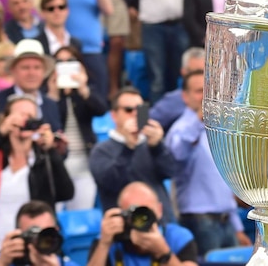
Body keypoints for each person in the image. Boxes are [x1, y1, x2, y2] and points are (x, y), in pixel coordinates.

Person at [0, 95, 74, 252]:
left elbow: (66, 192)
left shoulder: (42, 160)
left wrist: (50, 151)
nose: (25, 121)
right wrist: (0, 134)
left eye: (30, 116)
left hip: (34, 247)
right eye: (19, 115)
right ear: (6, 119)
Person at [165, 69, 251, 254]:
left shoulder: (217, 131)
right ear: (185, 97)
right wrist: (199, 119)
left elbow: (223, 182)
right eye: (198, 91)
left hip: (226, 220)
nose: (204, 97)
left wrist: (237, 227)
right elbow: (175, 157)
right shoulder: (179, 129)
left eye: (208, 91)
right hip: (199, 221)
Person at [89, 88, 176, 224]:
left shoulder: (150, 144)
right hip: (124, 227)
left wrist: (157, 147)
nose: (135, 114)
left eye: (140, 109)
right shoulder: (101, 151)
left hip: (160, 222)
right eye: (129, 110)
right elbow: (112, 182)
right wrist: (128, 148)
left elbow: (171, 171)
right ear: (114, 115)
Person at [49, 46, 108, 211]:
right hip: (58, 165)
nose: (65, 65)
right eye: (60, 62)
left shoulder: (85, 92)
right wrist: (54, 95)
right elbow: (50, 122)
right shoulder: (47, 94)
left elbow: (101, 109)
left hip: (84, 164)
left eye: (70, 61)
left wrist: (83, 89)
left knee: (82, 213)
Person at [87, 181, 198, 266]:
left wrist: (163, 253)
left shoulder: (178, 237)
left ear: (159, 210)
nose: (140, 220)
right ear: (122, 215)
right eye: (134, 214)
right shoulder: (110, 240)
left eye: (145, 213)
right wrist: (104, 245)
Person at [0, 200, 70, 266]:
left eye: (44, 235)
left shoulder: (65, 263)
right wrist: (1, 264)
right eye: (31, 234)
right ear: (18, 234)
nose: (37, 241)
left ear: (56, 232)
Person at [150, 47, 206, 133]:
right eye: (195, 72)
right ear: (183, 72)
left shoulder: (220, 101)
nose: (200, 78)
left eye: (203, 72)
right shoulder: (172, 102)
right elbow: (147, 123)